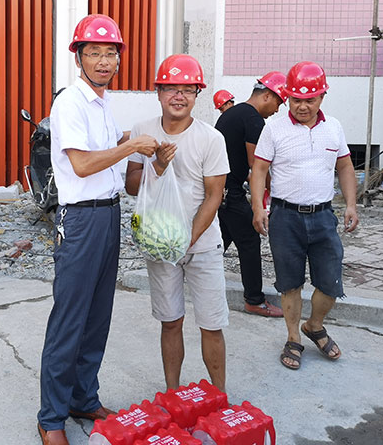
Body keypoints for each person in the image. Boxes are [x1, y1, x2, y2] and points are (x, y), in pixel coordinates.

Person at [37, 14, 158, 445]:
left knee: (97, 317)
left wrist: (142, 135)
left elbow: (107, 147)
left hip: (108, 215)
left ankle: (83, 398)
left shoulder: (103, 103)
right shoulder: (71, 102)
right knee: (69, 320)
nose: (104, 61)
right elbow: (84, 163)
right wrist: (133, 145)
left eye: (110, 53)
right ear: (79, 58)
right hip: (81, 219)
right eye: (94, 53)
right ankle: (51, 418)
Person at [125, 54, 230, 391]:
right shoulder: (142, 131)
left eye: (187, 89)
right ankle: (172, 392)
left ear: (197, 94)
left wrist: (187, 239)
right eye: (171, 88)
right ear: (158, 92)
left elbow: (214, 196)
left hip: (203, 245)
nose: (179, 96)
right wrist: (156, 166)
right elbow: (131, 185)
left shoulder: (210, 138)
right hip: (159, 243)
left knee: (211, 324)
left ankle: (219, 395)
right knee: (170, 322)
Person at [250, 61, 358, 371]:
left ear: (322, 97)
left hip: (323, 217)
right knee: (290, 283)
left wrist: (351, 204)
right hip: (285, 218)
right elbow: (259, 169)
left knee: (330, 282)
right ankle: (293, 337)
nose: (302, 106)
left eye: (309, 100)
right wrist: (258, 207)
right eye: (296, 99)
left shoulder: (333, 127)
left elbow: (345, 167)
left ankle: (315, 325)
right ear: (287, 97)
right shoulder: (274, 128)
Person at [215, 72, 287, 318]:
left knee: (220, 238)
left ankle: (191, 276)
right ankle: (254, 300)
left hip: (219, 187)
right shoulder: (253, 120)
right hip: (230, 191)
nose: (276, 110)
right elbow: (257, 166)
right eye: (278, 103)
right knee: (249, 240)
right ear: (267, 95)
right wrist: (272, 190)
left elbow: (237, 160)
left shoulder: (232, 114)